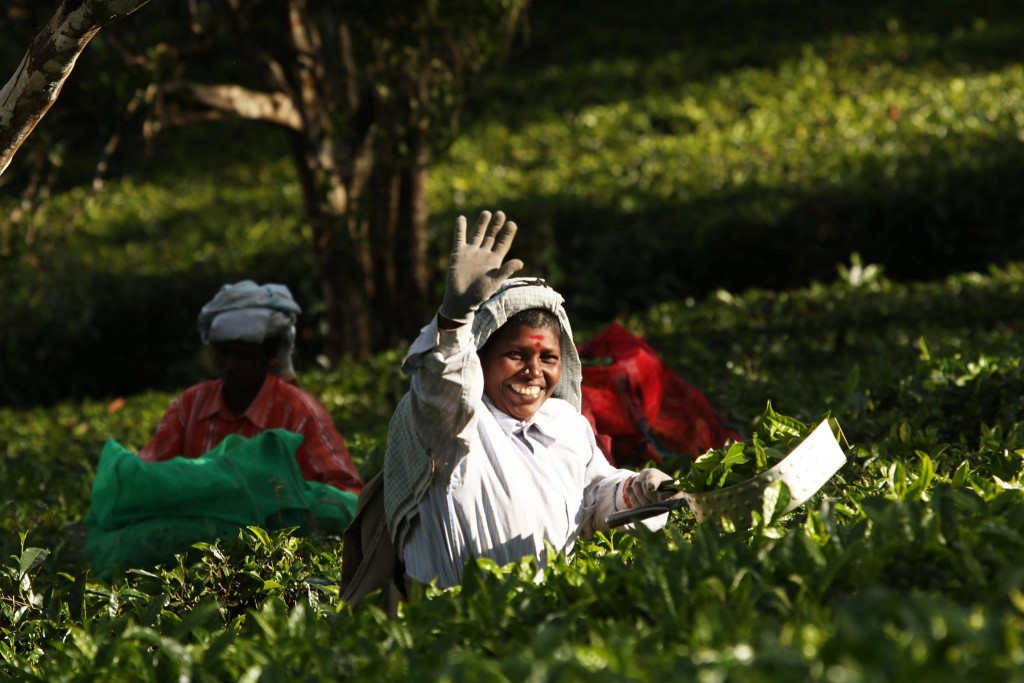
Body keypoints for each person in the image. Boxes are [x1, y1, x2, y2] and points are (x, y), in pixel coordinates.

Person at [380, 210, 680, 589]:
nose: (533, 372)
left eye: (548, 358)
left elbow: (592, 497)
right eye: (516, 355)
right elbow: (443, 384)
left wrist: (634, 491)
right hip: (453, 623)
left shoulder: (565, 423)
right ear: (481, 356)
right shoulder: (451, 424)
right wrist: (454, 319)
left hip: (545, 620)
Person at [139, 280, 363, 494]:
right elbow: (147, 472)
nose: (230, 366)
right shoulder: (190, 407)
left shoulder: (298, 413)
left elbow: (345, 490)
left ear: (272, 356)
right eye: (222, 353)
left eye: (243, 356)